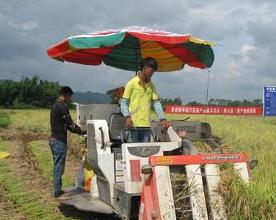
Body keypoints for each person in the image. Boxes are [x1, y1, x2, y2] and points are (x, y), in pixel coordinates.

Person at [120, 57, 170, 143]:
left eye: (154, 71)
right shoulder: (131, 83)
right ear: (144, 68)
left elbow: (156, 103)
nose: (152, 73)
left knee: (145, 152)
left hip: (146, 126)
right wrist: (127, 117)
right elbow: (124, 103)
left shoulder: (151, 86)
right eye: (151, 70)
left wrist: (162, 118)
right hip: (133, 126)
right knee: (133, 153)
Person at [49, 86, 85, 198]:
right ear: (65, 94)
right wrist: (81, 131)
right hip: (59, 141)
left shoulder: (55, 106)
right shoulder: (63, 107)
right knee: (59, 167)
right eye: (69, 96)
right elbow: (70, 125)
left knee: (56, 165)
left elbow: (67, 126)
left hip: (53, 139)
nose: (70, 99)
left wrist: (78, 131)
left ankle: (57, 189)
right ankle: (57, 191)